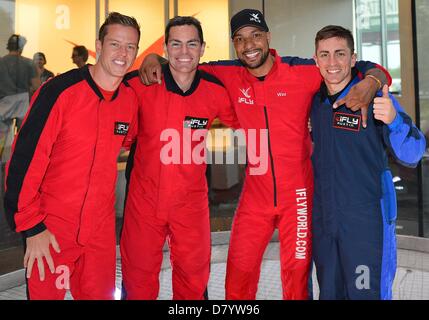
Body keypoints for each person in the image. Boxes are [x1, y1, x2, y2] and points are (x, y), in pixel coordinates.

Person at [139, 9, 391, 300]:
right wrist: (153, 58)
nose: (249, 45)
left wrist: (371, 82)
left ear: (268, 37)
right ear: (234, 44)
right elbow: (185, 64)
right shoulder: (227, 73)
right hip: (254, 196)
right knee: (238, 273)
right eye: (240, 38)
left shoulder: (303, 72)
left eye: (256, 35)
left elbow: (365, 67)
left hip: (297, 195)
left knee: (296, 278)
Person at [3, 12, 140, 300]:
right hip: (51, 230)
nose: (123, 53)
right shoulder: (60, 92)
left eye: (130, 47)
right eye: (115, 44)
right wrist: (32, 227)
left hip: (99, 234)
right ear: (99, 46)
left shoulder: (128, 101)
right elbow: (22, 163)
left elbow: (130, 140)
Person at [120, 16, 239, 300]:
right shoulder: (139, 84)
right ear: (165, 48)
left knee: (193, 279)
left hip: (191, 202)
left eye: (191, 44)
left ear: (202, 48)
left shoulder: (215, 89)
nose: (184, 52)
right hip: (144, 201)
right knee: (138, 280)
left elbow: (248, 119)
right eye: (176, 44)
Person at [310, 25, 426, 300]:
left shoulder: (375, 98)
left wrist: (394, 121)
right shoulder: (312, 101)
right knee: (330, 292)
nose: (332, 63)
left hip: (367, 221)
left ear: (353, 59)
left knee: (368, 294)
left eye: (340, 54)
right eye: (324, 55)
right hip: (325, 222)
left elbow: (413, 153)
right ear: (315, 60)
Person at [0, 34, 41, 160]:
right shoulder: (28, 63)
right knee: (23, 136)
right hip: (23, 102)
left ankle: (2, 162)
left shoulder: (1, 62)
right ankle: (19, 162)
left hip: (3, 102)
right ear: (21, 47)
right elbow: (36, 86)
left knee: (2, 138)